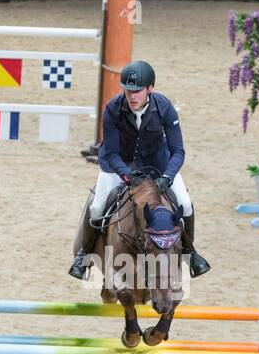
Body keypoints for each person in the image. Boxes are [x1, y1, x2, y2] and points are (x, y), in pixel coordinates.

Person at [68, 60, 210, 279]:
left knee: (185, 204)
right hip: (118, 166)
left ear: (150, 89)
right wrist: (126, 175)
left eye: (137, 91)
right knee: (97, 207)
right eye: (128, 90)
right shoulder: (112, 109)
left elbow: (178, 151)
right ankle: (83, 256)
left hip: (158, 165)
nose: (132, 96)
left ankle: (191, 254)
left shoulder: (164, 108)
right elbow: (112, 152)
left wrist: (166, 177)